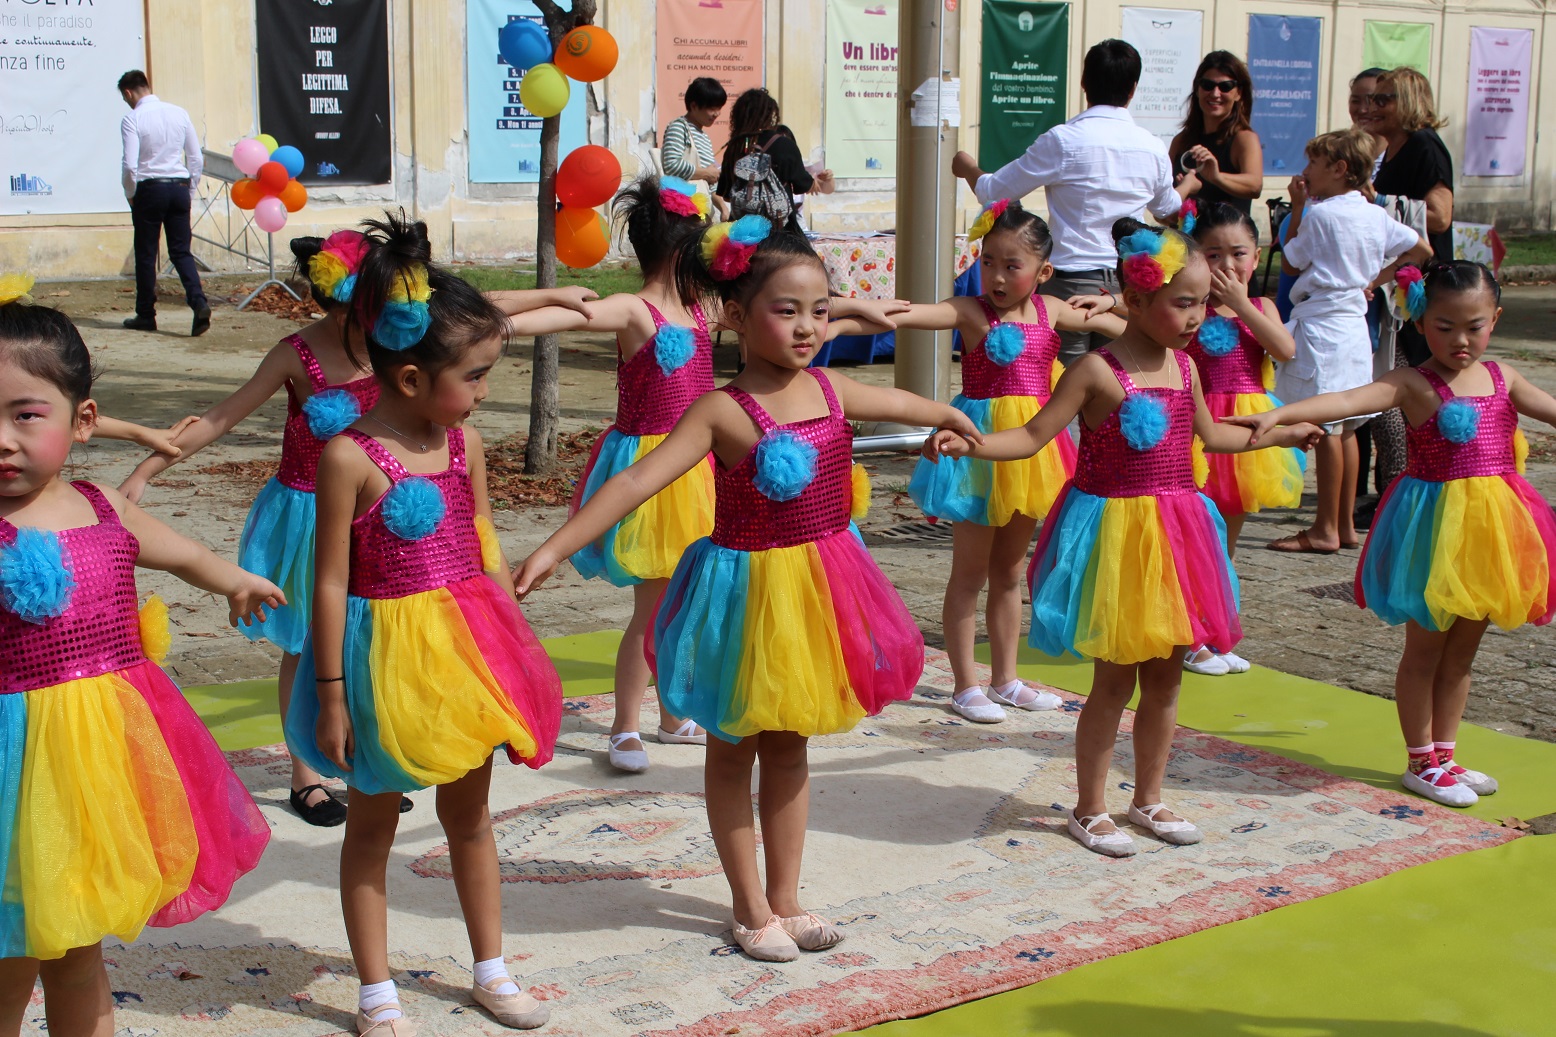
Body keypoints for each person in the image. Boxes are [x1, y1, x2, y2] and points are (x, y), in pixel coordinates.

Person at [514, 217, 982, 961]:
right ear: (733, 315)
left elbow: (900, 404)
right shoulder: (721, 411)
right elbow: (638, 478)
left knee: (791, 744)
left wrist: (950, 414)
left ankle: (789, 898)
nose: (807, 327)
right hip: (742, 593)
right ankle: (749, 903)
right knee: (733, 748)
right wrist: (552, 546)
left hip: (819, 590)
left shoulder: (830, 387)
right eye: (786, 309)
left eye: (820, 310)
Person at [922, 221, 1321, 857]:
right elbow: (1029, 438)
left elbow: (1215, 439)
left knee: (1167, 679)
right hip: (1116, 535)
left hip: (1178, 533)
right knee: (1115, 679)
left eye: (1200, 304)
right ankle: (1089, 806)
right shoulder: (1094, 373)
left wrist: (1281, 434)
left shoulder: (1187, 369)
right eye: (1181, 302)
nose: (1195, 317)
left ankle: (1150, 798)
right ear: (1134, 302)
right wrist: (968, 438)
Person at [284, 214, 564, 1032]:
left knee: (470, 813)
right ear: (409, 379)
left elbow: (480, 543)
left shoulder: (464, 443)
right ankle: (376, 991)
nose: (483, 392)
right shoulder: (349, 458)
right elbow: (329, 584)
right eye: (474, 376)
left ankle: (491, 965)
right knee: (373, 819)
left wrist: (514, 644)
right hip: (381, 662)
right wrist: (330, 692)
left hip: (464, 649)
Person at [0, 285, 278, 1035]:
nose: (3, 439)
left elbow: (180, 551)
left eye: (25, 415)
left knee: (79, 941)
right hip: (12, 765)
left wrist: (236, 579)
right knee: (11, 946)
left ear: (80, 420)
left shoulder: (100, 506)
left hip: (103, 762)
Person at [1233, 262, 1556, 807]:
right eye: (1444, 325)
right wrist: (1281, 414)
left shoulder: (1505, 378)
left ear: (1495, 320)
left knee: (1462, 653)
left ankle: (1446, 754)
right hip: (1431, 533)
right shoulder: (1413, 382)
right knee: (1426, 648)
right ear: (1421, 321)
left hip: (1491, 532)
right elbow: (1346, 400)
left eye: (1474, 326)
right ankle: (1419, 758)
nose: (1460, 339)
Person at [895, 199, 1123, 722]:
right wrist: (835, 311)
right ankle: (964, 684)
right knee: (970, 573)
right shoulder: (970, 311)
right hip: (976, 451)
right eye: (989, 261)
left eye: (1011, 265)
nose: (996, 275)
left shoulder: (1054, 311)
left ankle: (1005, 678)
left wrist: (1111, 301)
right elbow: (908, 313)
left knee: (1009, 573)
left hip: (1031, 453)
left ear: (1044, 273)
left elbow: (1134, 327)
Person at [951, 39, 1187, 365]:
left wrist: (966, 166)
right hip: (1128, 286)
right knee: (1119, 387)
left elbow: (995, 191)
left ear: (1084, 84)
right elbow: (1169, 211)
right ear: (1133, 89)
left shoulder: (1064, 141)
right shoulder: (1153, 147)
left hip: (1070, 282)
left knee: (1064, 390)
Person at [1272, 128, 1431, 555]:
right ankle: (1343, 525)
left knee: (1326, 427)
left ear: (1339, 170)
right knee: (1345, 430)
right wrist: (1373, 281)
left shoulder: (1322, 215)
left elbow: (1290, 260)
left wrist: (1299, 208)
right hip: (1354, 326)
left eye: (1313, 164)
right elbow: (1421, 248)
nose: (1305, 172)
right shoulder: (1375, 214)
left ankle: (1324, 527)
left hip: (1324, 323)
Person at [1181, 202, 1302, 672]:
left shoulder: (1262, 306)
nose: (1227, 266)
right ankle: (1193, 637)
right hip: (1202, 427)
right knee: (1198, 536)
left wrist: (1240, 306)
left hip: (1249, 432)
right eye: (1213, 255)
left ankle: (1218, 630)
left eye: (1238, 254)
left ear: (1256, 257)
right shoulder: (1189, 308)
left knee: (1225, 541)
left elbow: (1285, 349)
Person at [1365, 67, 1455, 368]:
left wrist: (1379, 202)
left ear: (1408, 102)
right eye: (1371, 100)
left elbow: (1440, 217)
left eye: (1382, 101)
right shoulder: (1393, 148)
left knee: (1421, 365)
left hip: (1423, 279)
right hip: (1398, 277)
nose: (1371, 108)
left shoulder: (1424, 145)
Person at [117, 70, 211, 337]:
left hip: (150, 188)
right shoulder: (179, 113)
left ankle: (146, 314)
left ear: (128, 93)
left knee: (146, 254)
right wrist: (189, 190)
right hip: (179, 186)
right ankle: (199, 302)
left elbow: (129, 164)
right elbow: (195, 158)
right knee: (181, 252)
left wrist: (131, 193)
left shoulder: (132, 118)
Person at [717, 88, 833, 235]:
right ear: (770, 114)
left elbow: (726, 195)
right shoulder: (784, 145)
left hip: (742, 233)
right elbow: (804, 185)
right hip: (780, 232)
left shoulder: (734, 147)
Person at [1170, 51, 1265, 217]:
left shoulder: (1243, 139)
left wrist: (1216, 177)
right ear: (1197, 89)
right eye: (1207, 85)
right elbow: (1163, 213)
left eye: (1225, 87)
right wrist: (1183, 191)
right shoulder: (1181, 141)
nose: (1215, 93)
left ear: (1239, 93)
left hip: (1229, 240)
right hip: (1189, 240)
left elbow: (1254, 186)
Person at [662, 77, 727, 201]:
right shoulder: (679, 127)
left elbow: (711, 185)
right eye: (712, 108)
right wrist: (705, 173)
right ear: (694, 106)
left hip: (701, 208)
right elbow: (671, 165)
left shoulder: (704, 137)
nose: (717, 113)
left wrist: (723, 209)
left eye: (719, 108)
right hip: (681, 207)